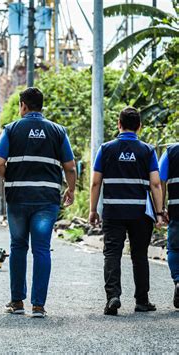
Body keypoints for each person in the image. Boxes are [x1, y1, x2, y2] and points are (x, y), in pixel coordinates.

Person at [0, 87, 77, 318]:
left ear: (23, 105)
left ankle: (17, 302)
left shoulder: (11, 129)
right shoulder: (58, 131)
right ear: (41, 106)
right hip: (46, 200)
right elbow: (70, 167)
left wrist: (11, 176)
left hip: (18, 198)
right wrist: (70, 189)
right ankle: (38, 306)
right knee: (41, 248)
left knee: (18, 246)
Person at [89, 107, 164, 316]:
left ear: (118, 124)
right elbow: (156, 184)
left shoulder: (105, 149)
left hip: (113, 212)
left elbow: (96, 183)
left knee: (112, 253)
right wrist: (159, 213)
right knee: (139, 255)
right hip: (140, 213)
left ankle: (113, 297)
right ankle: (142, 300)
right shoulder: (147, 151)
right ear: (139, 126)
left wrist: (93, 210)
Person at [159, 143, 179, 308]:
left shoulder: (171, 151)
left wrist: (161, 208)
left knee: (174, 248)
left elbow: (159, 180)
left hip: (177, 209)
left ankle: (178, 280)